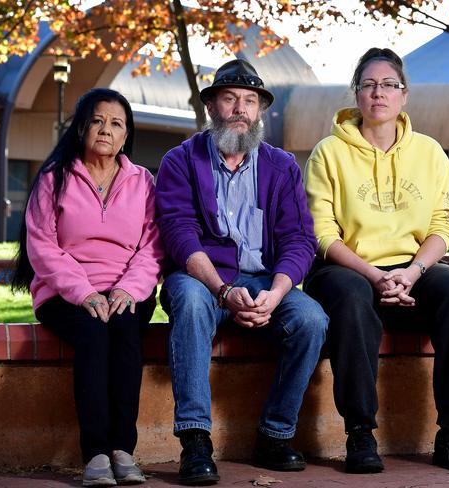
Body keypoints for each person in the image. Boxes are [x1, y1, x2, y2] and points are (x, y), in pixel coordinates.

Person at [303, 48, 449, 474]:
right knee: (349, 294)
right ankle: (360, 433)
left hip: (412, 267)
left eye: (388, 85)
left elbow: (444, 222)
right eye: (368, 84)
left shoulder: (430, 152)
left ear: (404, 95)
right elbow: (322, 232)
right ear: (356, 94)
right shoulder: (328, 152)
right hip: (346, 268)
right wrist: (374, 275)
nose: (378, 93)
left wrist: (413, 271)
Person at [155, 59, 328, 486]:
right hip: (202, 279)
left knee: (311, 319)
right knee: (191, 305)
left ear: (259, 111)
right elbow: (179, 235)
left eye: (250, 101)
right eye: (230, 98)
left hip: (266, 280)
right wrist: (222, 289)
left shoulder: (282, 166)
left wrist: (277, 291)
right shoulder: (180, 161)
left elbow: (299, 240)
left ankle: (275, 435)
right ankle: (195, 441)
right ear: (212, 105)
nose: (240, 109)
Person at [11, 88, 164, 486]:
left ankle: (122, 449)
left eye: (116, 124)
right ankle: (95, 452)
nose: (106, 130)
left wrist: (128, 290)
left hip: (127, 290)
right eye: (98, 120)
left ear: (126, 135)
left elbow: (152, 247)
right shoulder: (53, 179)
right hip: (65, 293)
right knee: (93, 335)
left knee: (127, 332)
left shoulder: (143, 182)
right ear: (81, 127)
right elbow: (41, 246)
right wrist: (85, 293)